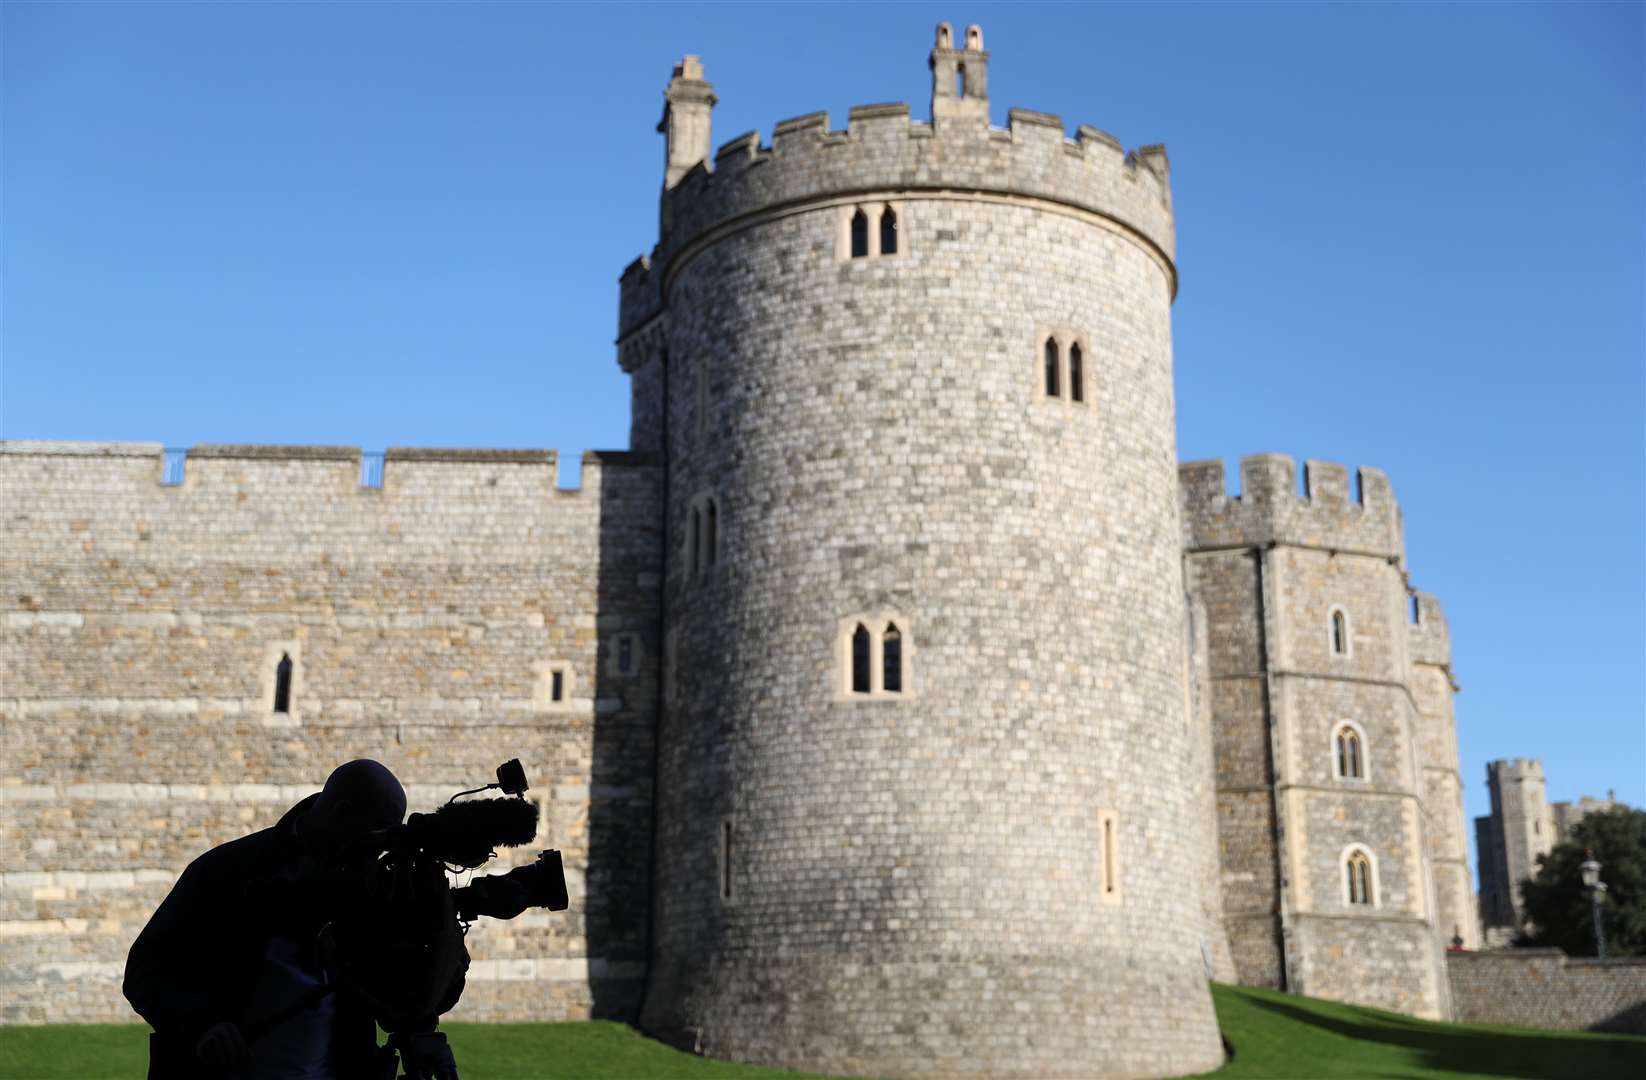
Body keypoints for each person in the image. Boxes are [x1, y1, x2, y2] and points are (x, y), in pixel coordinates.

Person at [124, 758, 456, 1079]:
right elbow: (144, 971)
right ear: (341, 815)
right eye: (372, 839)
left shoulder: (369, 887)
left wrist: (441, 926)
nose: (376, 853)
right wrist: (203, 1025)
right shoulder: (228, 872)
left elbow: (413, 1002)